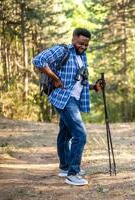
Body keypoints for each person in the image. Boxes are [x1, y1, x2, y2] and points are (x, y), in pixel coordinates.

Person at [33, 28, 103, 186]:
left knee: (65, 135)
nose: (83, 47)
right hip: (64, 98)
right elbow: (38, 60)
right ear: (73, 39)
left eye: (86, 44)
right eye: (80, 43)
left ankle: (65, 168)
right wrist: (55, 78)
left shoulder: (82, 57)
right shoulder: (62, 50)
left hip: (75, 99)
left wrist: (94, 87)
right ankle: (73, 173)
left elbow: (78, 82)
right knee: (80, 134)